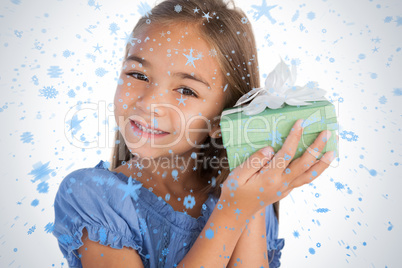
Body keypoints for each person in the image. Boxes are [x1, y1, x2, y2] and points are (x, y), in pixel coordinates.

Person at [52, 0, 337, 267]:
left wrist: (249, 200)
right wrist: (232, 212)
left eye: (186, 90)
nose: (149, 103)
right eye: (138, 75)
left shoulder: (250, 198)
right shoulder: (93, 198)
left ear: (220, 119)